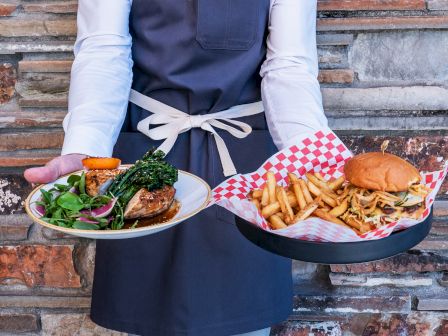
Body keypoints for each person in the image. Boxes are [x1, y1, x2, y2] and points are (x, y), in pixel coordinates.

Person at [24, 1, 329, 335]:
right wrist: (86, 149)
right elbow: (103, 47)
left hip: (243, 169)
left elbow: (290, 66)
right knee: (147, 316)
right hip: (145, 159)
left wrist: (316, 163)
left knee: (240, 319)